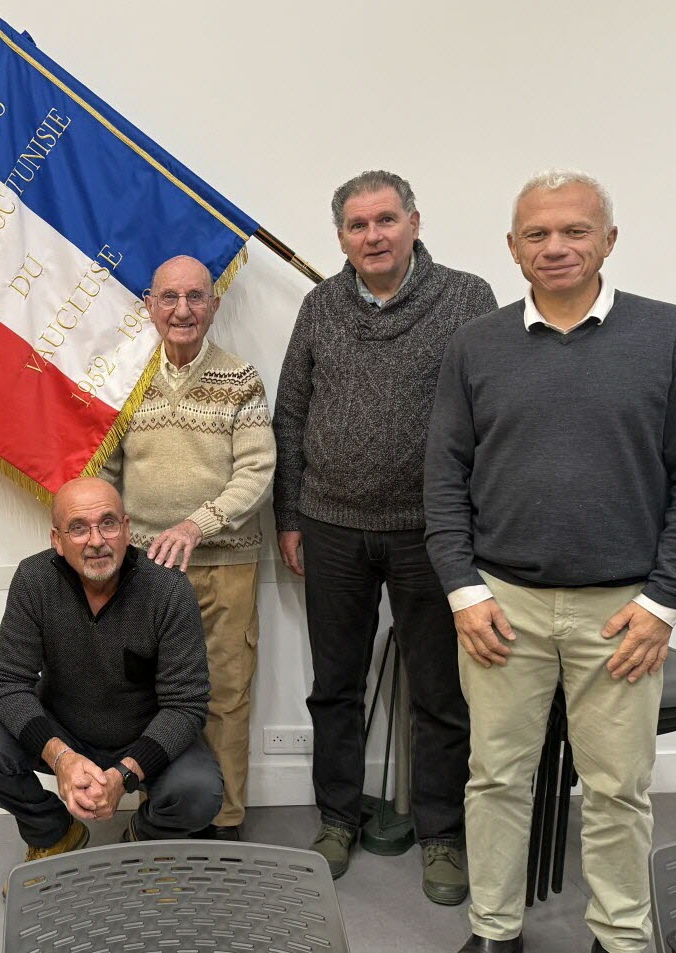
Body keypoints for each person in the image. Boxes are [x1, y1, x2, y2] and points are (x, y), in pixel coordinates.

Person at [425, 171, 676, 953]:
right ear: (512, 248)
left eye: (574, 231)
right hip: (500, 605)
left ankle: (620, 937)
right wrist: (462, 591)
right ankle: (494, 931)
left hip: (621, 611)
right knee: (494, 779)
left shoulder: (669, 335)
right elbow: (442, 477)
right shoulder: (476, 344)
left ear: (608, 240)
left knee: (616, 790)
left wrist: (662, 604)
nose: (555, 247)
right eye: (536, 234)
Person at [273, 170, 497, 900]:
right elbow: (290, 416)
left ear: (413, 221)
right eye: (356, 225)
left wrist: (471, 527)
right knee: (334, 686)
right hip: (330, 525)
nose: (372, 236)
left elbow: (489, 416)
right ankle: (336, 817)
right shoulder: (319, 305)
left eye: (384, 220)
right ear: (340, 236)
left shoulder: (466, 298)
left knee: (439, 694)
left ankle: (440, 835)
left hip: (430, 532)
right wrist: (288, 517)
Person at [0, 477, 221, 866]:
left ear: (127, 529)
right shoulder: (34, 580)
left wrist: (123, 776)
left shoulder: (168, 589)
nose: (96, 540)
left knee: (201, 791)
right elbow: (8, 683)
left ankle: (141, 841)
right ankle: (54, 833)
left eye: (108, 523)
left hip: (142, 737)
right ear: (57, 539)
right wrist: (62, 758)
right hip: (64, 734)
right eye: (78, 528)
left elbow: (186, 705)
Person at [102, 254, 275, 840]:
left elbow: (256, 471)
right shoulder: (124, 379)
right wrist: (113, 538)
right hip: (143, 571)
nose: (183, 310)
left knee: (225, 694)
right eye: (170, 298)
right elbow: (105, 469)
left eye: (196, 297)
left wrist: (197, 524)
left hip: (225, 565)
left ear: (214, 305)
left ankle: (224, 822)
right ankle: (163, 815)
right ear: (149, 305)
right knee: (151, 697)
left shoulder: (241, 378)